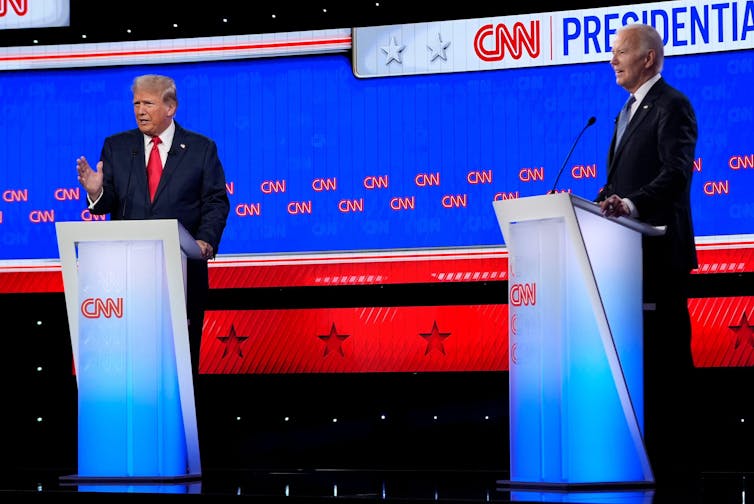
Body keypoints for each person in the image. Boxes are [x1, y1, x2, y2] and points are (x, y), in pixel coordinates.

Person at [596, 23, 698, 485]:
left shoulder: (672, 106)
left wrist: (631, 203)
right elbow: (620, 183)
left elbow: (677, 175)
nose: (612, 60)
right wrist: (604, 202)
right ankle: (640, 467)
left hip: (659, 257)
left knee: (667, 368)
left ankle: (679, 472)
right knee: (636, 370)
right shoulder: (624, 113)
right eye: (612, 52)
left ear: (648, 59)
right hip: (625, 263)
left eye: (620, 52)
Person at [76, 74, 230, 377]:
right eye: (136, 103)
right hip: (126, 275)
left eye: (148, 103)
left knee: (180, 367)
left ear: (170, 107)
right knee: (131, 365)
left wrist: (205, 242)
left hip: (183, 273)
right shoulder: (117, 146)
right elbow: (107, 205)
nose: (140, 111)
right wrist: (96, 192)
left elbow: (216, 201)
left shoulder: (201, 148)